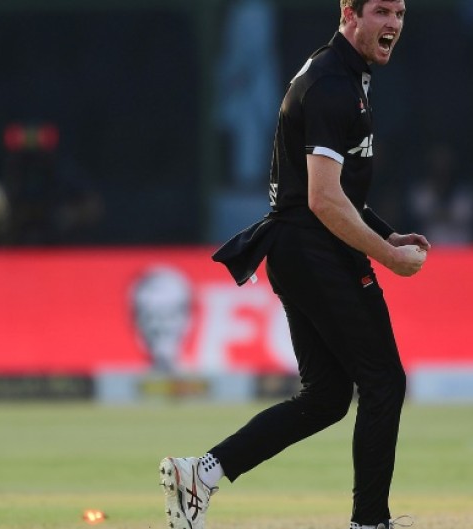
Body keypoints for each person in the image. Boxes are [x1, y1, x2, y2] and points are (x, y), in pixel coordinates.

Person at [159, 2, 429, 529]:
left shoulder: (342, 74)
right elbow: (324, 202)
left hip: (300, 247)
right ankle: (369, 522)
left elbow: (328, 191)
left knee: (328, 397)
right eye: (380, 11)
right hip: (313, 248)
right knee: (384, 381)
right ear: (348, 14)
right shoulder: (332, 83)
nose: (393, 22)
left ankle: (201, 474)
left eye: (400, 11)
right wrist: (389, 255)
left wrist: (384, 231)